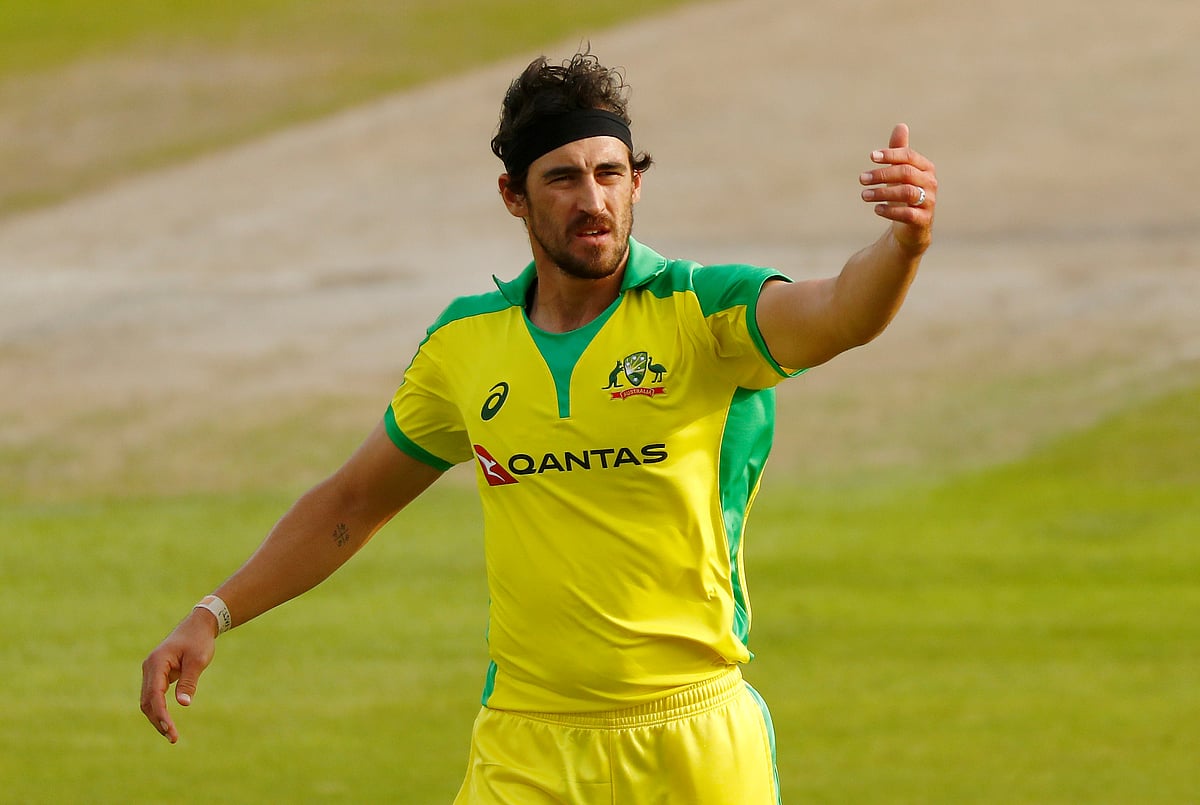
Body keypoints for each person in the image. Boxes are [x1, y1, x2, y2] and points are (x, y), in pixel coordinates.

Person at [140, 50, 936, 803]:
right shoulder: (465, 344)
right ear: (513, 195)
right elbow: (351, 502)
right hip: (527, 744)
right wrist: (215, 611)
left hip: (693, 739)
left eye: (609, 173)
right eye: (562, 178)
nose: (593, 200)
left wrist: (904, 243)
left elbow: (843, 311)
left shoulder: (704, 310)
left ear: (635, 183)